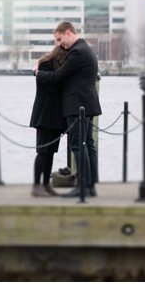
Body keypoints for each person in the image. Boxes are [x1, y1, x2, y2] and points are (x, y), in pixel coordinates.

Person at [33, 20, 101, 196]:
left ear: (68, 32)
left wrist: (37, 73)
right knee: (87, 145)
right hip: (87, 104)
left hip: (78, 105)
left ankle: (83, 187)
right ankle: (91, 186)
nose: (59, 43)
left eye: (60, 38)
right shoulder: (86, 49)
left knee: (78, 145)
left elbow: (57, 77)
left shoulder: (77, 52)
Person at [29, 42, 68, 196]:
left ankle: (46, 184)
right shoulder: (44, 65)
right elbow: (51, 86)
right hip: (44, 115)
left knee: (51, 152)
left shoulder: (52, 67)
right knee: (42, 151)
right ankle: (36, 185)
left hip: (55, 116)